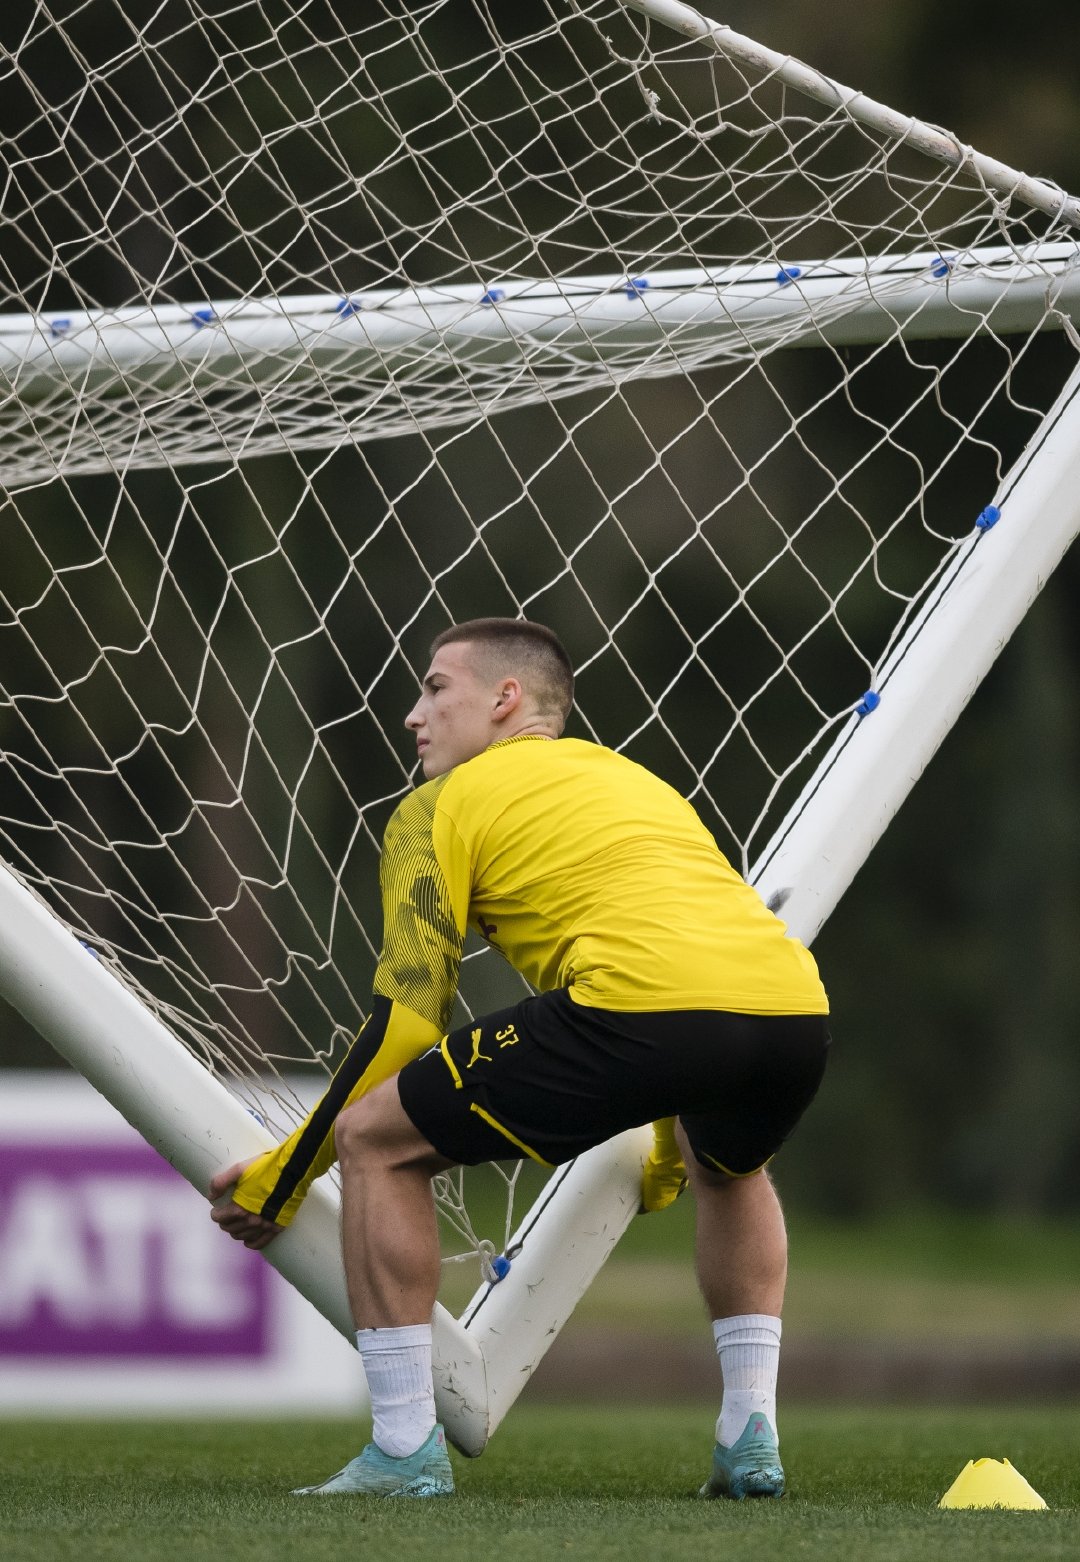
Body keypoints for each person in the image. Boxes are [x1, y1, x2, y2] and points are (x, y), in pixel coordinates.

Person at [210, 617, 829, 1501]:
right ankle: (750, 1435)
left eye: (435, 689)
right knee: (731, 1170)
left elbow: (406, 1024)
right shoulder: (635, 781)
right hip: (794, 1012)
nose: (413, 716)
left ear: (506, 701)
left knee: (378, 1139)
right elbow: (674, 952)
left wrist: (288, 1174)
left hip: (647, 1011)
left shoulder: (434, 809)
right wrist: (666, 1130)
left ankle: (400, 1450)